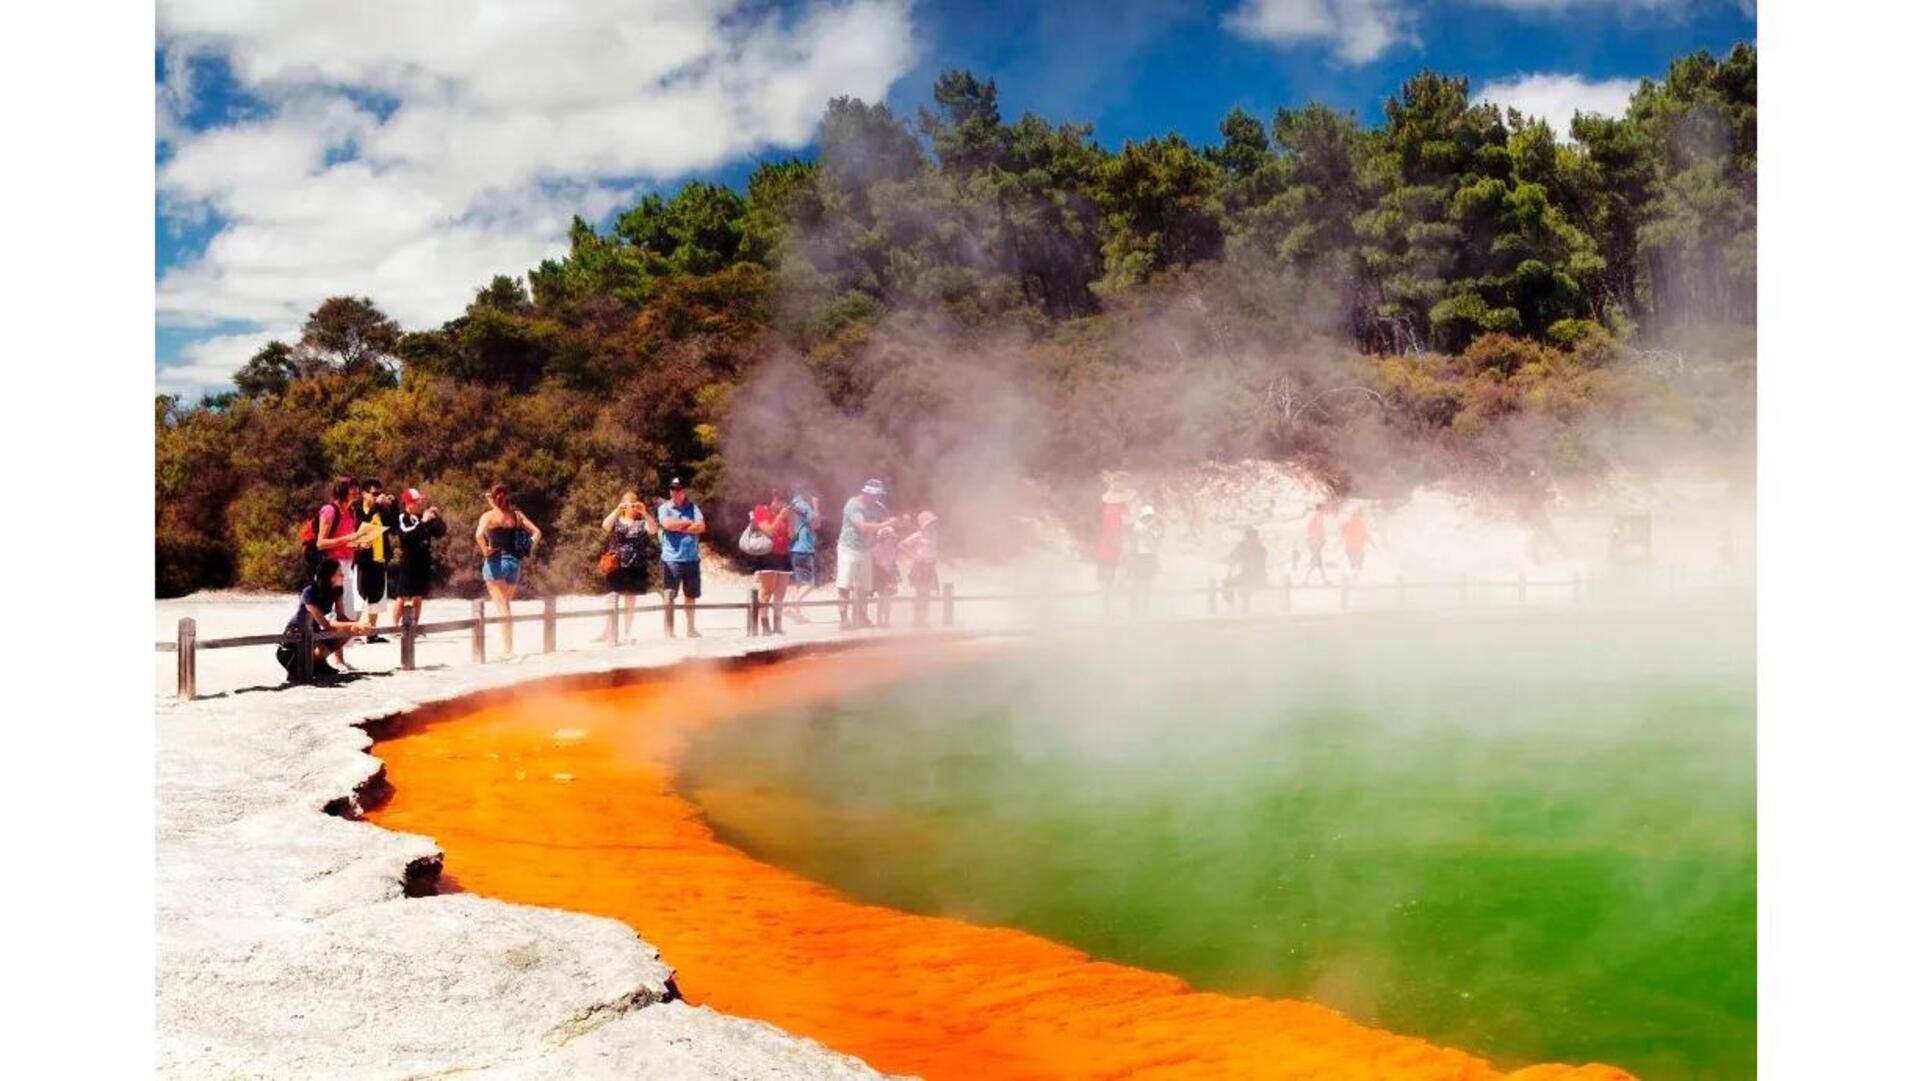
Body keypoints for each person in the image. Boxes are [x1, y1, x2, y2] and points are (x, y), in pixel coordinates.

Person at [475, 483, 541, 658]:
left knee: (503, 609)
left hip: (495, 563)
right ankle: (507, 646)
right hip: (514, 564)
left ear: (493, 498)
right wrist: (527, 546)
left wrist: (485, 550)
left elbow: (478, 535)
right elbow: (537, 532)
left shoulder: (488, 516)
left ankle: (508, 649)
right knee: (506, 607)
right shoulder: (517, 515)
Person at [276, 558, 370, 682]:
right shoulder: (309, 591)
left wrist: (356, 627)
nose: (343, 575)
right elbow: (325, 624)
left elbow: (341, 616)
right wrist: (356, 623)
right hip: (295, 637)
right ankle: (312, 664)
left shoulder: (337, 590)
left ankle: (319, 663)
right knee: (343, 632)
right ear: (329, 576)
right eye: (339, 573)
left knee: (350, 631)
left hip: (315, 632)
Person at [599, 490, 659, 643]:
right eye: (627, 504)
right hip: (616, 563)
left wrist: (645, 513)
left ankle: (627, 631)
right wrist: (617, 509)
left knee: (630, 599)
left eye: (633, 504)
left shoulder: (641, 523)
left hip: (635, 564)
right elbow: (605, 525)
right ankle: (609, 630)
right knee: (612, 598)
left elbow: (653, 530)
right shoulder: (617, 520)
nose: (631, 507)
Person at [389, 488, 444, 635]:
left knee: (418, 595)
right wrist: (423, 522)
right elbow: (406, 535)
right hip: (409, 560)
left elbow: (440, 532)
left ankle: (414, 626)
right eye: (416, 501)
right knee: (403, 595)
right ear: (408, 502)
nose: (419, 503)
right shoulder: (402, 518)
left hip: (423, 560)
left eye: (420, 500)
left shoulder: (421, 517)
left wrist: (436, 517)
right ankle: (395, 627)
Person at [656, 477, 706, 638]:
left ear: (684, 491)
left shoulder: (693, 507)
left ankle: (690, 629)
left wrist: (680, 526)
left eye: (678, 489)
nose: (675, 492)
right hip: (671, 559)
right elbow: (667, 525)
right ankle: (668, 629)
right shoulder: (664, 507)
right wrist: (688, 523)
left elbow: (702, 527)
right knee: (670, 595)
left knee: (691, 595)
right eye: (672, 489)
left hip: (691, 558)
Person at [836, 479, 889, 629]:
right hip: (848, 548)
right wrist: (884, 526)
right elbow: (862, 526)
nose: (876, 498)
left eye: (878, 495)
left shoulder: (879, 507)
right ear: (865, 493)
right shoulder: (853, 505)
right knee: (844, 585)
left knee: (864, 587)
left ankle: (861, 617)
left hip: (866, 549)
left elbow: (887, 523)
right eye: (874, 495)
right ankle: (844, 619)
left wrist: (886, 530)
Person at [355, 478, 400, 643]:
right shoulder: (358, 509)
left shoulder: (381, 511)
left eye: (379, 493)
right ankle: (354, 632)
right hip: (363, 560)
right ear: (364, 494)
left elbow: (395, 527)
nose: (377, 496)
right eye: (374, 493)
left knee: (377, 598)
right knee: (359, 598)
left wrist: (394, 505)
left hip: (380, 559)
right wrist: (376, 506)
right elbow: (362, 524)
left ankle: (371, 633)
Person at [748, 487, 794, 635]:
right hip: (768, 554)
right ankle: (765, 625)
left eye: (783, 501)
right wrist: (780, 516)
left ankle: (777, 625)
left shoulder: (786, 514)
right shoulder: (761, 510)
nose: (781, 503)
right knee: (766, 592)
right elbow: (769, 531)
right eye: (778, 499)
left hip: (783, 554)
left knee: (780, 593)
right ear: (772, 498)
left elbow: (791, 535)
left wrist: (791, 519)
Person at [1095, 480, 1131, 615]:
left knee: (1105, 581)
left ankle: (1105, 608)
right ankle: (1107, 610)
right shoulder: (1116, 513)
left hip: (1102, 549)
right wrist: (1121, 551)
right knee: (1110, 581)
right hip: (1111, 551)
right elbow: (1115, 533)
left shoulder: (1105, 510)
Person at [785, 489, 821, 622]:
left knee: (800, 584)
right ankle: (791, 605)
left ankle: (796, 614)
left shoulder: (793, 505)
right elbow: (815, 523)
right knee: (809, 584)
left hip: (795, 549)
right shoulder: (804, 505)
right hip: (804, 548)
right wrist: (816, 505)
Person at [899, 510, 940, 627]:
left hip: (930, 566)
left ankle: (924, 619)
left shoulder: (934, 535)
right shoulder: (918, 535)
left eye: (933, 523)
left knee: (927, 594)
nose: (932, 526)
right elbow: (902, 545)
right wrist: (914, 556)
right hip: (920, 566)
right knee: (920, 592)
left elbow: (932, 550)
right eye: (930, 524)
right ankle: (917, 619)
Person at [869, 501, 902, 627]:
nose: (890, 539)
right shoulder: (876, 547)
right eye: (887, 536)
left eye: (891, 537)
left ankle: (885, 620)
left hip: (887, 573)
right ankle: (880, 621)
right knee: (883, 598)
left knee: (886, 598)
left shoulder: (892, 547)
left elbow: (894, 561)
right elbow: (874, 560)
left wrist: (895, 574)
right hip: (880, 573)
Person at [1127, 504, 1164, 614]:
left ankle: (1146, 607)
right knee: (1136, 583)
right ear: (1143, 517)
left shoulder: (1155, 527)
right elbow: (1141, 531)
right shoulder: (1138, 525)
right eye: (1146, 516)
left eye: (1150, 516)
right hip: (1139, 557)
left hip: (1150, 557)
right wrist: (1151, 525)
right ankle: (1134, 606)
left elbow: (1157, 538)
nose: (1148, 518)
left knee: (1148, 583)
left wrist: (1154, 527)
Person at [1222, 526, 1267, 612]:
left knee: (1227, 582)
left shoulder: (1244, 546)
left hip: (1247, 577)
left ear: (1246, 536)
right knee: (1241, 584)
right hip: (1261, 577)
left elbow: (1233, 556)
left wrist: (1231, 567)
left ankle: (1231, 606)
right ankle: (1243, 604)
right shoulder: (1261, 547)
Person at [1303, 503, 1334, 586]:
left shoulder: (1316, 516)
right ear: (1320, 509)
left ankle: (1309, 580)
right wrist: (1319, 540)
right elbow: (1316, 530)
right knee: (1316, 560)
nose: (1324, 511)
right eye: (1323, 509)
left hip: (1314, 541)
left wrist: (1321, 540)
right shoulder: (1317, 516)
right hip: (1314, 541)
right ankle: (1306, 580)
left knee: (1317, 561)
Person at [1340, 506, 1373, 579]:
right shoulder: (1360, 523)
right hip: (1356, 547)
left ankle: (1352, 576)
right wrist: (1373, 544)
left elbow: (1342, 535)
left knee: (1354, 562)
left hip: (1351, 547)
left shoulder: (1348, 523)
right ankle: (1353, 576)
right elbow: (1366, 535)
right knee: (1357, 562)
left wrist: (1337, 544)